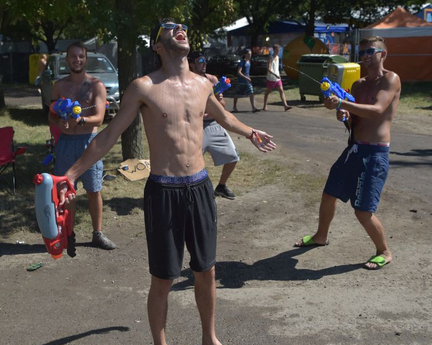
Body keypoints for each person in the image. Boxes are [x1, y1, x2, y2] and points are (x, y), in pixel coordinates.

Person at [57, 19, 276, 345]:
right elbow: (109, 135)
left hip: (200, 186)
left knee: (206, 271)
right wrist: (71, 175)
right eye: (170, 27)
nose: (180, 28)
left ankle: (209, 337)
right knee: (163, 279)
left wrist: (251, 132)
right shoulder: (144, 87)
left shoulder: (203, 84)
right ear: (157, 46)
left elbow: (224, 117)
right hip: (164, 191)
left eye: (183, 26)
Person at [293, 36, 400, 270]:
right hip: (354, 148)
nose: (365, 55)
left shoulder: (390, 79)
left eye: (371, 51)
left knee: (362, 210)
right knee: (329, 193)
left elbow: (376, 111)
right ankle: (321, 236)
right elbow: (354, 118)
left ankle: (384, 251)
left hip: (374, 153)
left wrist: (343, 102)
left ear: (383, 54)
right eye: (361, 51)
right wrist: (341, 113)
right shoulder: (359, 84)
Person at [47, 41, 116, 250]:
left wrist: (82, 121)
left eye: (81, 56)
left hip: (89, 143)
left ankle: (98, 233)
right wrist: (58, 121)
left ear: (86, 59)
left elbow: (100, 118)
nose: (77, 60)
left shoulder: (96, 86)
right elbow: (50, 114)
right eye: (73, 56)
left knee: (94, 190)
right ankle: (68, 233)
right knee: (66, 191)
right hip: (66, 143)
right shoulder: (59, 86)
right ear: (66, 59)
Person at [188, 50, 240, 200]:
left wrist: (216, 99)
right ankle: (191, 192)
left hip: (213, 124)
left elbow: (222, 105)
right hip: (195, 126)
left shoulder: (212, 79)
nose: (204, 64)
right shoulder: (187, 82)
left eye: (205, 61)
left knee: (232, 156)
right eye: (200, 61)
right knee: (191, 163)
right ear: (191, 64)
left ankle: (221, 187)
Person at [262, 44, 291, 111]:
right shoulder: (270, 58)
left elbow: (276, 68)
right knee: (267, 92)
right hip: (271, 78)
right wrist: (275, 75)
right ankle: (264, 106)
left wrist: (278, 75)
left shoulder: (277, 57)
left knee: (281, 91)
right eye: (278, 50)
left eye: (279, 50)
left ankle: (285, 106)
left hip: (277, 78)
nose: (279, 51)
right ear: (274, 50)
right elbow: (268, 69)